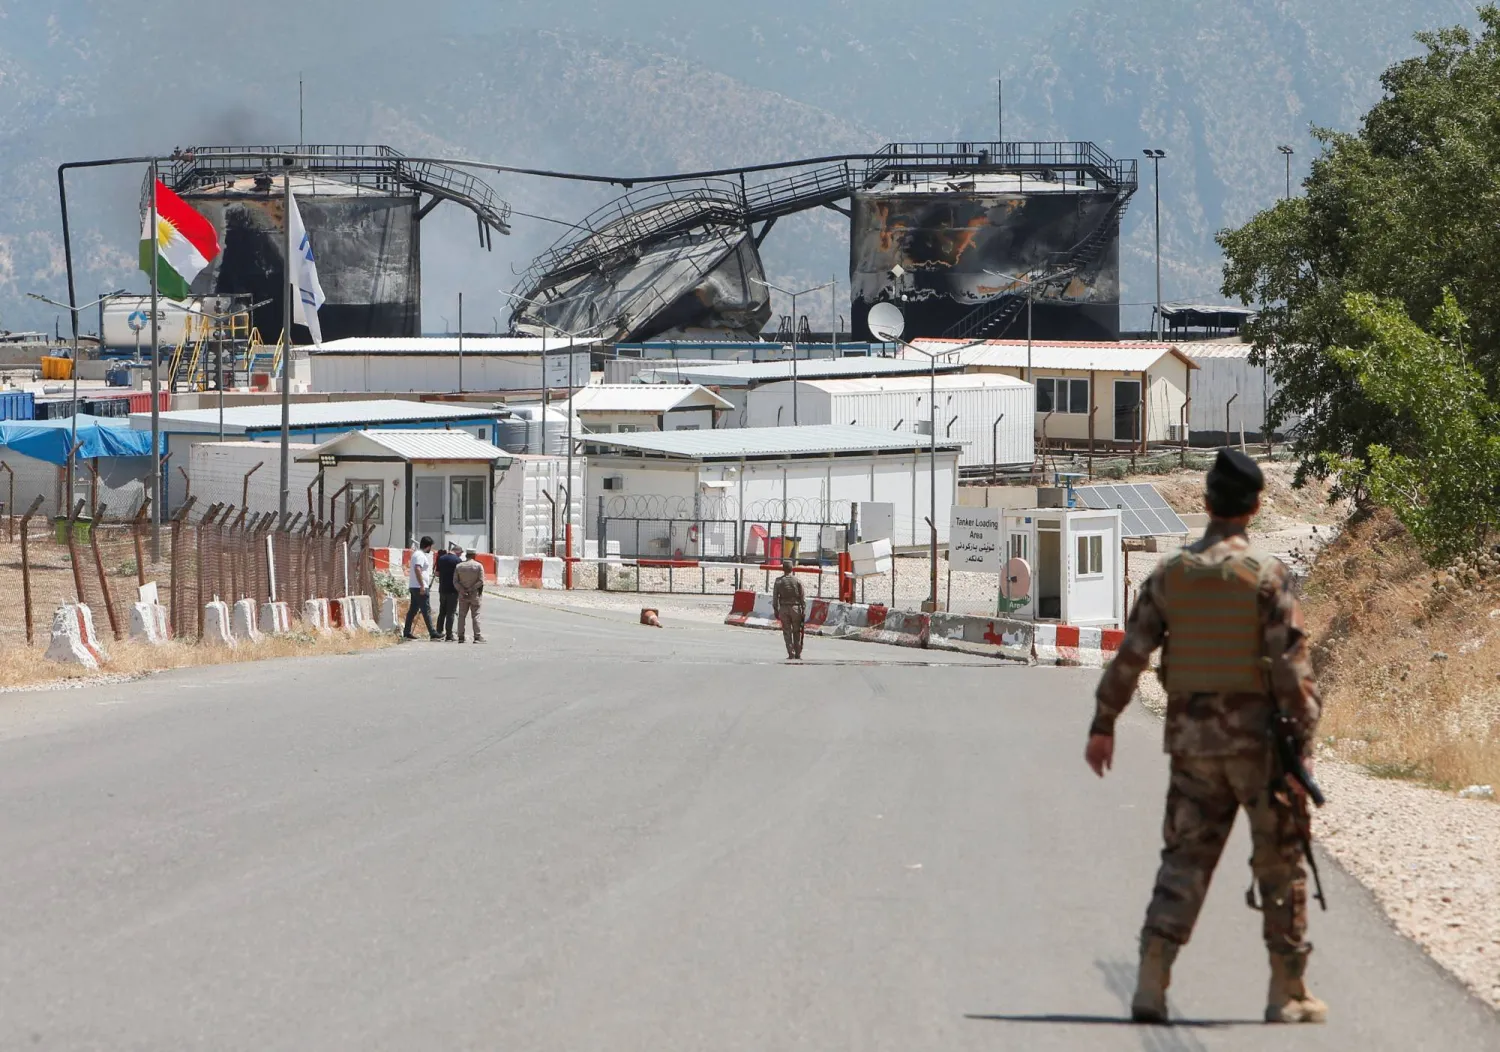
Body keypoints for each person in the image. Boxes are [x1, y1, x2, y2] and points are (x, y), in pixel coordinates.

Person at [1086, 448, 1325, 1025]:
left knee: (1184, 862)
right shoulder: (1268, 576)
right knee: (1280, 863)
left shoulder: (1169, 575)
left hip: (1192, 748)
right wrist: (1304, 736)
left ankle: (1152, 981)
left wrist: (1104, 724)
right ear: (1256, 506)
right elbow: (1291, 672)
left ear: (1209, 503)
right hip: (1260, 748)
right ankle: (1286, 990)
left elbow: (1133, 654)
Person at [403, 536, 440, 640]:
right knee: (426, 610)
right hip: (419, 587)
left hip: (415, 586)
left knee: (413, 610)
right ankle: (432, 633)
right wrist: (422, 585)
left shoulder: (417, 554)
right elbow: (417, 569)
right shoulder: (419, 555)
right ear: (428, 546)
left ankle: (406, 632)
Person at [772, 559, 806, 659]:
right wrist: (803, 609)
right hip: (796, 608)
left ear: (783, 568)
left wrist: (776, 609)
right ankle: (798, 652)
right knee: (797, 631)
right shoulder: (797, 581)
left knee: (787, 631)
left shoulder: (778, 581)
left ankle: (790, 652)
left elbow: (775, 597)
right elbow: (802, 596)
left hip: (783, 608)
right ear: (792, 568)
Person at [454, 549, 486, 644]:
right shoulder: (478, 566)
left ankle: (460, 636)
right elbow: (481, 581)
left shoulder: (459, 566)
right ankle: (477, 636)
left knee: (462, 615)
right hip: (474, 594)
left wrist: (462, 589)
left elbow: (455, 581)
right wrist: (471, 589)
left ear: (466, 555)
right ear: (474, 555)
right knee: (475, 615)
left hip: (463, 595)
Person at [434, 543, 462, 641]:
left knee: (442, 612)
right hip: (453, 590)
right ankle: (449, 635)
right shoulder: (458, 561)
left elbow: (437, 573)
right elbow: (460, 576)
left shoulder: (441, 559)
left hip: (442, 589)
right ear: (458, 552)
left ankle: (438, 632)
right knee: (451, 612)